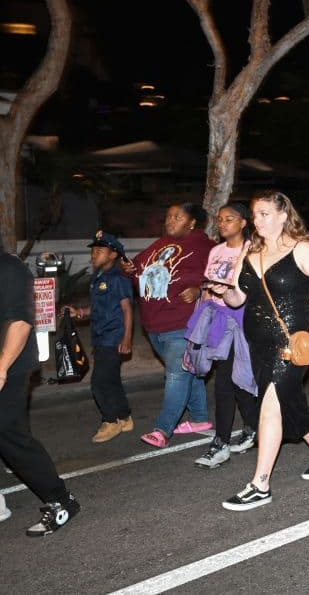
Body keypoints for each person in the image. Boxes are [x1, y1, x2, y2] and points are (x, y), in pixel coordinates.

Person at [217, 191, 309, 510]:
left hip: (291, 342)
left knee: (270, 404)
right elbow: (238, 300)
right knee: (289, 399)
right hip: (257, 342)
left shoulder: (303, 250)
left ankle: (260, 484)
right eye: (255, 215)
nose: (257, 220)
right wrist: (225, 291)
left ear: (284, 215)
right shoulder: (250, 252)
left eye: (264, 214)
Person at [0, 241, 80, 536]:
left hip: (11, 365)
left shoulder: (10, 268)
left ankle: (61, 500)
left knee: (9, 434)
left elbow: (20, 323)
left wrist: (1, 369)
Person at [132, 203, 215, 448]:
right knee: (190, 372)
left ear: (192, 223)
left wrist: (199, 288)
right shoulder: (159, 244)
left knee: (176, 374)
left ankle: (162, 430)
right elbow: (138, 268)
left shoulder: (205, 246)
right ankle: (199, 419)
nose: (170, 220)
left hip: (184, 323)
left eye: (177, 217)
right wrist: (128, 269)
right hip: (154, 324)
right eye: (168, 216)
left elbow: (225, 273)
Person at [189, 203, 261, 469]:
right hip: (217, 320)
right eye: (220, 219)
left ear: (243, 222)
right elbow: (207, 290)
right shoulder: (217, 251)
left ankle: (220, 444)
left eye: (229, 219)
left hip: (241, 322)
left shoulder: (252, 250)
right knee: (234, 381)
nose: (222, 223)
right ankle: (253, 429)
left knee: (226, 382)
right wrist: (198, 326)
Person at [66, 231, 134, 443]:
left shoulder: (118, 279)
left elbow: (127, 310)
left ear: (113, 255)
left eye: (100, 250)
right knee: (111, 380)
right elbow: (97, 308)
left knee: (99, 382)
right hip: (100, 336)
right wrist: (80, 313)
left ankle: (110, 421)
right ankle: (125, 418)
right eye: (93, 250)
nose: (94, 254)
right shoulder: (97, 278)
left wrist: (127, 338)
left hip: (113, 337)